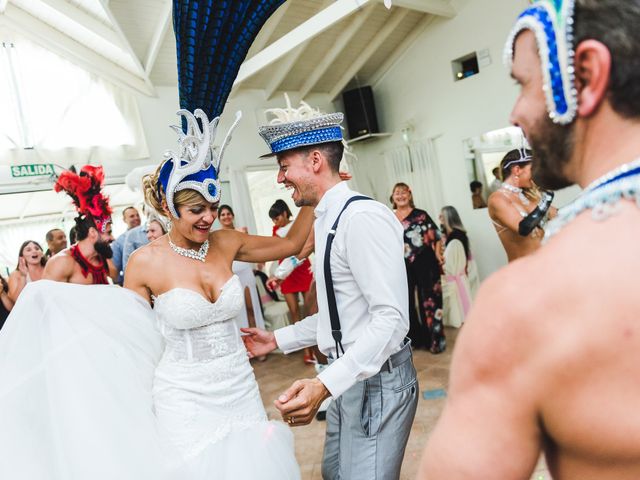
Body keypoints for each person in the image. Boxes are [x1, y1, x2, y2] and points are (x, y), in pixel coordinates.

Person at [0, 109, 304, 479]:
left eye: (212, 208)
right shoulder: (145, 263)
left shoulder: (227, 242)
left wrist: (316, 191)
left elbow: (291, 242)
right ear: (169, 208)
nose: (208, 218)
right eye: (196, 210)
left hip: (240, 388)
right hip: (184, 398)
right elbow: (133, 330)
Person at [420, 1, 640, 479]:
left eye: (522, 83)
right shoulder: (504, 199)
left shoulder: (522, 309)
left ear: (586, 73)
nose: (515, 111)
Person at [242, 103, 417, 480]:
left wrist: (323, 385)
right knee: (333, 472)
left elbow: (390, 321)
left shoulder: (362, 218)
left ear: (316, 160)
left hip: (378, 382)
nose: (280, 178)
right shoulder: (326, 219)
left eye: (284, 166)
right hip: (347, 376)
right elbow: (342, 317)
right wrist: (275, 339)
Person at [391, 182, 445, 353]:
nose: (400, 196)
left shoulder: (421, 215)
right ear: (392, 197)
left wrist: (438, 254)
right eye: (397, 193)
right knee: (404, 303)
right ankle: (415, 339)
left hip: (425, 260)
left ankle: (435, 341)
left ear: (409, 195)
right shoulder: (388, 217)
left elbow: (436, 236)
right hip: (400, 264)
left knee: (429, 301)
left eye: (403, 192)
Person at [43, 166, 116, 285]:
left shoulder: (100, 256)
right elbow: (47, 300)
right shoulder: (61, 262)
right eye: (108, 232)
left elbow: (115, 275)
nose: (112, 238)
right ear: (92, 232)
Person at [268, 199, 316, 364]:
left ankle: (317, 348)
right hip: (286, 274)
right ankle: (306, 350)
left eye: (277, 218)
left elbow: (306, 247)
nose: (275, 222)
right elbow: (276, 251)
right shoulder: (276, 230)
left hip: (302, 269)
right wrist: (278, 276)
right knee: (294, 311)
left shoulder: (298, 225)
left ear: (284, 213)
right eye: (273, 220)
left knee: (311, 310)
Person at [488, 148, 556, 262]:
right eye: (533, 169)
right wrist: (547, 196)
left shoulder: (527, 196)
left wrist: (587, 199)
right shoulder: (497, 199)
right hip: (523, 270)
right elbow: (524, 228)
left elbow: (557, 214)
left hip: (545, 264)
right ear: (517, 170)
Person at [217, 204, 266, 334]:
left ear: (232, 216)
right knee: (237, 312)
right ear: (219, 218)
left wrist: (260, 261)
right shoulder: (217, 237)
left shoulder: (242, 231)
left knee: (251, 308)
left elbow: (252, 248)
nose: (226, 216)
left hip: (245, 272)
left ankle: (258, 339)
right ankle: (245, 345)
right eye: (223, 214)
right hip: (229, 276)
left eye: (228, 214)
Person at [439, 206, 474, 328]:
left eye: (442, 216)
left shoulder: (457, 236)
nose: (439, 218)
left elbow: (455, 258)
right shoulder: (448, 235)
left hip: (456, 273)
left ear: (449, 218)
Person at [111, 206, 141, 284]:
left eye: (137, 215)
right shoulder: (118, 242)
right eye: (132, 216)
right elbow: (115, 271)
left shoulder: (149, 234)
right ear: (124, 220)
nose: (136, 218)